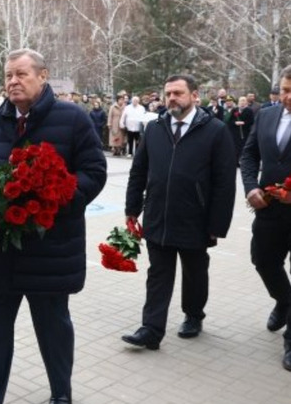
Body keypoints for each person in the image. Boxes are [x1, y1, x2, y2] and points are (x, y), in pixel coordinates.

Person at [0, 48, 107, 404]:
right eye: (8, 75)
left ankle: (61, 387)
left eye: (21, 74)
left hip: (50, 252)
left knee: (53, 331)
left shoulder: (72, 119)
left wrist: (58, 196)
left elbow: (95, 170)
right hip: (0, 253)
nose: (13, 81)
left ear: (43, 76)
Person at [121, 75, 236, 350]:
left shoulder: (215, 131)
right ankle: (151, 329)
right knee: (158, 273)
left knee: (195, 272)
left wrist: (217, 224)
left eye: (178, 93)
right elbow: (138, 171)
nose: (172, 98)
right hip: (158, 214)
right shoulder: (155, 128)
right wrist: (131, 208)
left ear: (195, 96)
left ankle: (193, 315)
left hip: (195, 218)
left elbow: (224, 182)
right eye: (168, 93)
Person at [240, 65, 291, 371]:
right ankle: (285, 301)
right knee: (263, 260)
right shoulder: (267, 115)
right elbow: (248, 155)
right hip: (269, 209)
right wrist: (250, 187)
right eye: (285, 90)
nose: (287, 97)